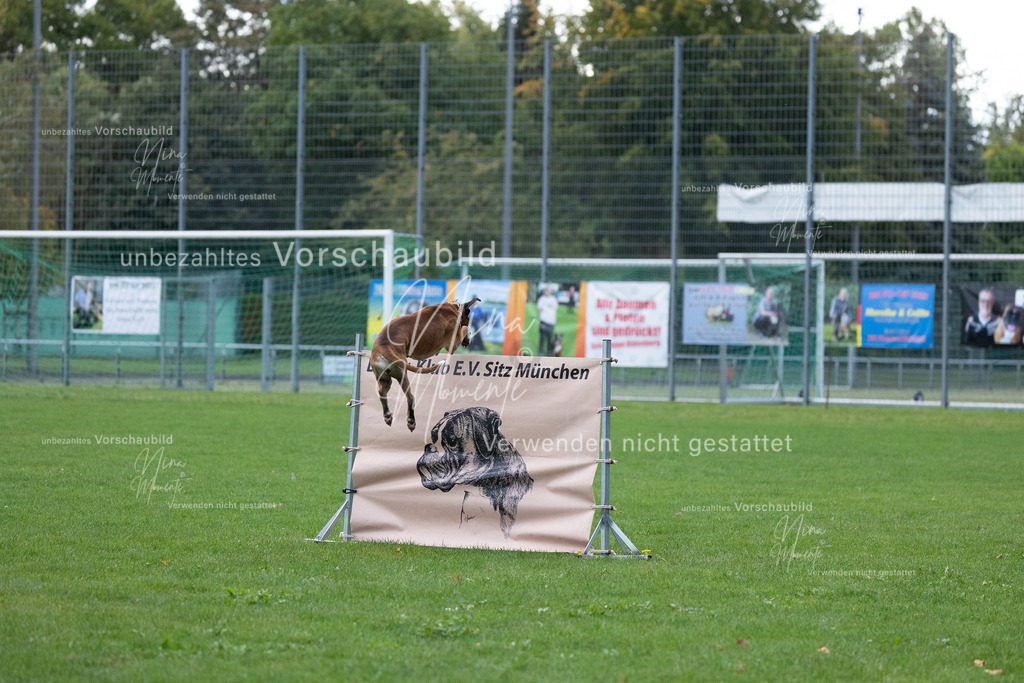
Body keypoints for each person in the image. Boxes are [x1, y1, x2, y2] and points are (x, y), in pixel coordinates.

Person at [536, 285, 559, 355]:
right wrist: (542, 316)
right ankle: (540, 352)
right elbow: (539, 309)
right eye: (546, 291)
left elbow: (555, 310)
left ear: (550, 292)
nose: (547, 292)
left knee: (550, 339)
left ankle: (549, 352)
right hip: (543, 321)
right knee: (542, 338)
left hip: (551, 322)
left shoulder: (554, 299)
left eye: (548, 291)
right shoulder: (542, 299)